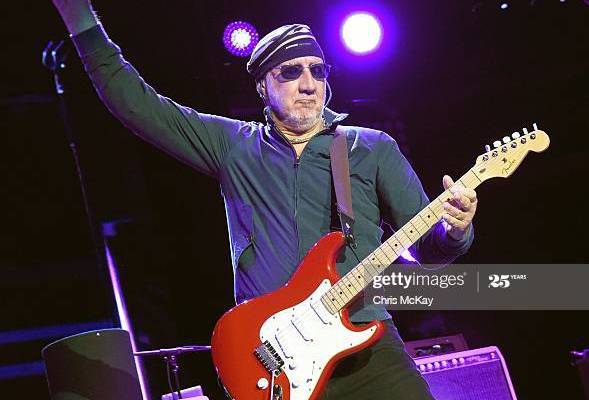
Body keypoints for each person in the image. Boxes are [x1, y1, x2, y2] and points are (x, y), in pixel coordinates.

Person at [51, 1, 478, 399]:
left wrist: (454, 230)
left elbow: (427, 251)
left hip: (369, 352)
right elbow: (136, 104)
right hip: (276, 362)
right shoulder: (234, 146)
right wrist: (80, 19)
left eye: (318, 71)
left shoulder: (370, 147)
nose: (308, 84)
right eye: (291, 72)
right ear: (262, 86)